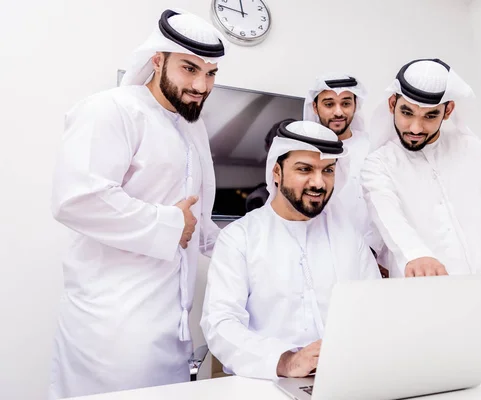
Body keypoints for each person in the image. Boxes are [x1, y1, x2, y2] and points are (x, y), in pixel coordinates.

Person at [49, 9, 227, 399]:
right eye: (189, 69)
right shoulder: (111, 109)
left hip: (171, 322)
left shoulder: (192, 127)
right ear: (157, 59)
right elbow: (76, 199)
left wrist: (253, 247)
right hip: (112, 324)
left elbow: (196, 221)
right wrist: (169, 224)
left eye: (211, 73)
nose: (201, 85)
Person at [361, 58, 481, 345]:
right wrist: (415, 254)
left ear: (448, 111)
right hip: (422, 313)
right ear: (391, 104)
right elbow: (386, 214)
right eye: (406, 112)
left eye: (430, 116)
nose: (416, 127)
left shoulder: (475, 151)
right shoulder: (379, 164)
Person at [201, 120, 381, 379]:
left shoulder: (350, 238)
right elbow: (221, 324)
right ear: (277, 171)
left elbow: (373, 310)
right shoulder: (240, 238)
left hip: (346, 379)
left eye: (328, 170)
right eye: (305, 169)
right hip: (266, 381)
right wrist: (284, 361)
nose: (318, 183)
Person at [303, 73, 388, 277]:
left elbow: (384, 205)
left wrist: (376, 254)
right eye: (329, 104)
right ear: (315, 107)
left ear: (355, 105)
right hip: (315, 255)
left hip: (369, 256)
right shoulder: (301, 151)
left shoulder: (374, 148)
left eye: (346, 103)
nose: (338, 112)